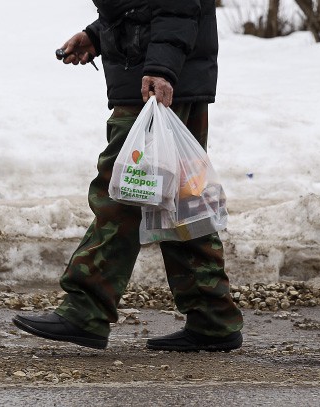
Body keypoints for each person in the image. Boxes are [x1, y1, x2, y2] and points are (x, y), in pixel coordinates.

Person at [13, 0, 243, 352]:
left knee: (124, 192)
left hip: (155, 79)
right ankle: (213, 316)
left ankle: (86, 310)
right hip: (165, 71)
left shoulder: (159, 71)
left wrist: (161, 68)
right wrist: (98, 34)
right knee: (178, 202)